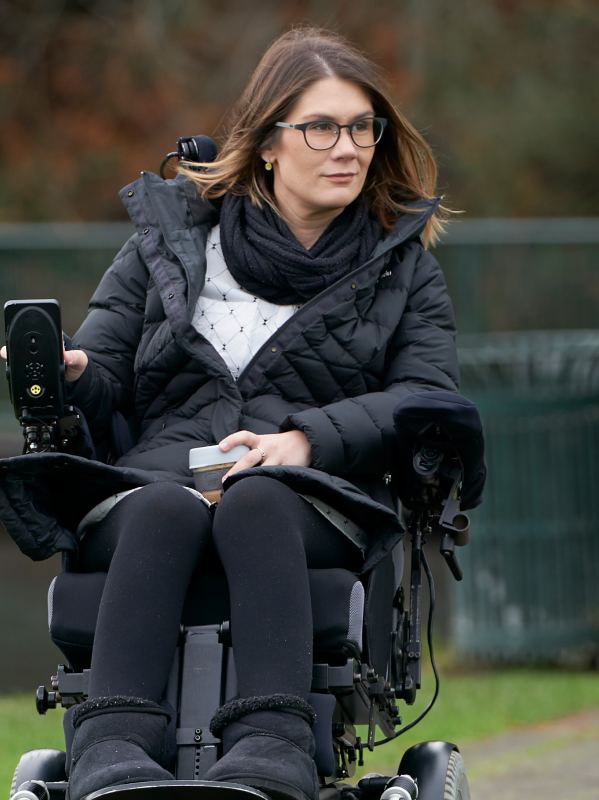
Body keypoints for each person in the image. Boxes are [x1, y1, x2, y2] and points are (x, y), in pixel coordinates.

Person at [1, 26, 459, 800]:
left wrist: (304, 441)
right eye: (321, 127)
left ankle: (274, 742)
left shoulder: (402, 270)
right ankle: (112, 745)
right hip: (166, 475)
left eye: (361, 127)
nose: (347, 147)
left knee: (255, 501)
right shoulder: (171, 243)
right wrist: (74, 370)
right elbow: (109, 371)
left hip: (312, 491)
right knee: (162, 509)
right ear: (269, 143)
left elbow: (427, 400)